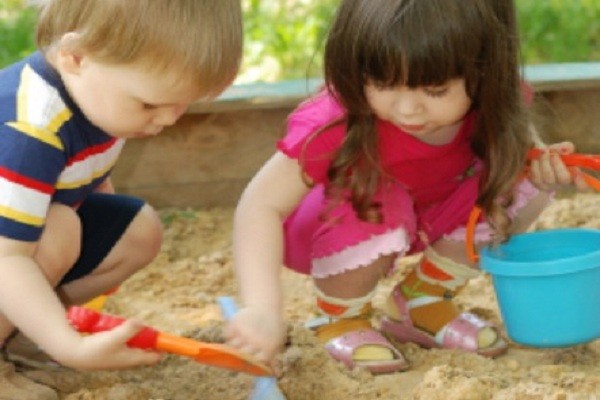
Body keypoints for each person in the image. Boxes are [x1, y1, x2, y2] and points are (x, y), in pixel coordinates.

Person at [225, 0, 590, 374]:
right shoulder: (336, 120)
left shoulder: (493, 100)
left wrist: (543, 163)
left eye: (433, 90)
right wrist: (261, 308)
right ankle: (341, 318)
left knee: (520, 176)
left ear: (484, 73)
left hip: (425, 216)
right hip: (335, 227)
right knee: (382, 195)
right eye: (383, 84)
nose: (407, 109)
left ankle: (421, 302)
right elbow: (260, 205)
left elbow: (521, 147)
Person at [0, 0, 242, 375]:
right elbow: (6, 261)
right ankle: (34, 339)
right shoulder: (28, 131)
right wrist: (70, 348)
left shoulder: (101, 97)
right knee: (60, 230)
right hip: (5, 256)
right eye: (150, 104)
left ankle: (24, 333)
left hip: (17, 244)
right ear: (76, 57)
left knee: (136, 231)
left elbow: (88, 181)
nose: (168, 119)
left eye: (182, 104)